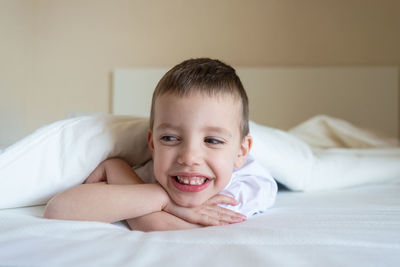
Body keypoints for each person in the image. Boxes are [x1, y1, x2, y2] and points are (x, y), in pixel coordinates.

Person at [44, 58, 277, 231]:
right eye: (170, 138)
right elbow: (58, 209)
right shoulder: (153, 174)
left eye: (212, 140)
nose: (189, 157)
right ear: (152, 145)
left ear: (241, 152)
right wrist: (163, 199)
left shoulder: (245, 188)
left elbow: (155, 225)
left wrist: (119, 175)